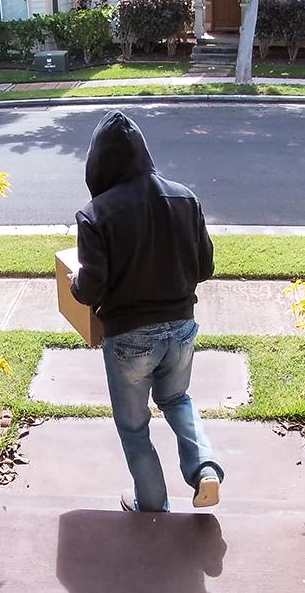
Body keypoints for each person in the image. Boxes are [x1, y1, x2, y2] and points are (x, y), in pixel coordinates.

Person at [69, 110, 223, 513]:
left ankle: (152, 504)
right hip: (182, 329)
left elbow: (90, 290)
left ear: (98, 163)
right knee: (177, 399)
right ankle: (205, 468)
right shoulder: (186, 198)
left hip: (130, 338)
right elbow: (204, 268)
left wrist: (73, 282)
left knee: (134, 426)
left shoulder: (95, 214)